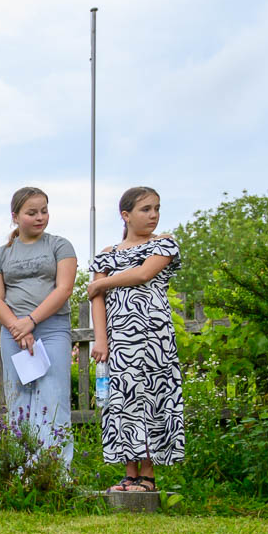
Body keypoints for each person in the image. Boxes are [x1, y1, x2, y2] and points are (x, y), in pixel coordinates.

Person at [88, 186, 184, 491]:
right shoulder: (106, 254)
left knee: (154, 400)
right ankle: (129, 472)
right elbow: (97, 300)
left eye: (157, 208)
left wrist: (102, 284)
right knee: (123, 402)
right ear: (126, 215)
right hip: (120, 341)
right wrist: (101, 340)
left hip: (154, 340)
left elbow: (143, 274)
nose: (153, 215)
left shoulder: (164, 245)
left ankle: (148, 474)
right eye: (146, 209)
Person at [0, 187, 77, 466]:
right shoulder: (1, 256)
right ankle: (22, 467)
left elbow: (64, 289)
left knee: (53, 397)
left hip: (52, 330)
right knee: (19, 401)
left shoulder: (60, 245)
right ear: (15, 216)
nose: (40, 217)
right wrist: (17, 327)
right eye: (32, 212)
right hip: (14, 335)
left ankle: (55, 469)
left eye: (44, 211)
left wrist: (32, 322)